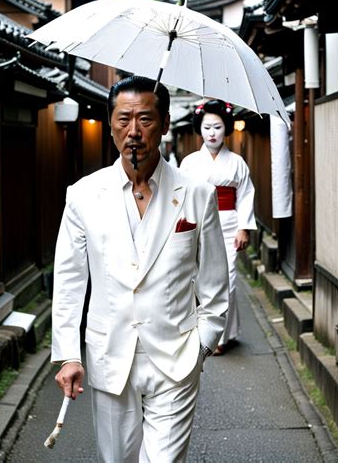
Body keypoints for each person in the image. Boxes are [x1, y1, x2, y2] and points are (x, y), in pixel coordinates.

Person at [52, 76, 229, 462]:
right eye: (124, 119)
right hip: (109, 353)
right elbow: (69, 279)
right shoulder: (84, 195)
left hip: (178, 356)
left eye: (145, 119)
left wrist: (203, 343)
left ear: (165, 124)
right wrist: (69, 354)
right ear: (111, 125)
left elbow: (215, 282)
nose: (134, 131)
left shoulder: (198, 194)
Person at [180, 99, 257, 356]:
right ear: (199, 129)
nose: (212, 133)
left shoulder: (236, 163)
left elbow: (245, 194)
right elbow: (182, 196)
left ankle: (221, 336)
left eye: (218, 127)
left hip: (228, 225)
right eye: (207, 127)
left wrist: (244, 228)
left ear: (226, 129)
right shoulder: (190, 163)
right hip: (199, 226)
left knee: (229, 281)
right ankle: (199, 331)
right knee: (199, 280)